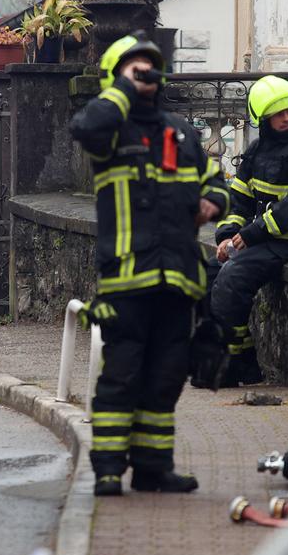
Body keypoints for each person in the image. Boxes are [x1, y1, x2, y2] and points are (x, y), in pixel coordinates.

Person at [70, 34, 230, 497]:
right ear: (116, 75)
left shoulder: (182, 133)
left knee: (165, 378)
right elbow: (85, 125)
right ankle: (107, 470)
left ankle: (153, 470)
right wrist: (121, 87)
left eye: (149, 69)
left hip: (178, 277)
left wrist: (213, 203)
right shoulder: (109, 132)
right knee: (122, 375)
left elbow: (219, 183)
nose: (144, 76)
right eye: (133, 68)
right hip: (127, 279)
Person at [204, 75, 288, 387]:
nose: (287, 117)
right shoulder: (255, 152)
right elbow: (238, 202)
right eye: (278, 113)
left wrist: (251, 235)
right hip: (262, 240)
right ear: (263, 118)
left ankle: (237, 366)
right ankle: (230, 361)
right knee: (206, 277)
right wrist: (226, 237)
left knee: (231, 279)